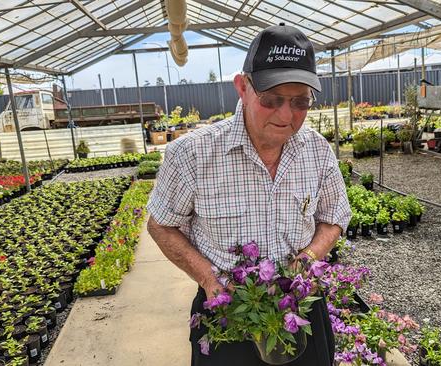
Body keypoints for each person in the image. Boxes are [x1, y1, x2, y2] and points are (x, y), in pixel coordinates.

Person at [146, 23, 351, 366]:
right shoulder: (192, 155)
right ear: (242, 87)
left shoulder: (317, 151)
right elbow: (161, 225)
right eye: (272, 100)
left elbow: (334, 217)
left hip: (297, 309)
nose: (286, 116)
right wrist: (208, 278)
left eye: (301, 102)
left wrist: (306, 260)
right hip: (230, 311)